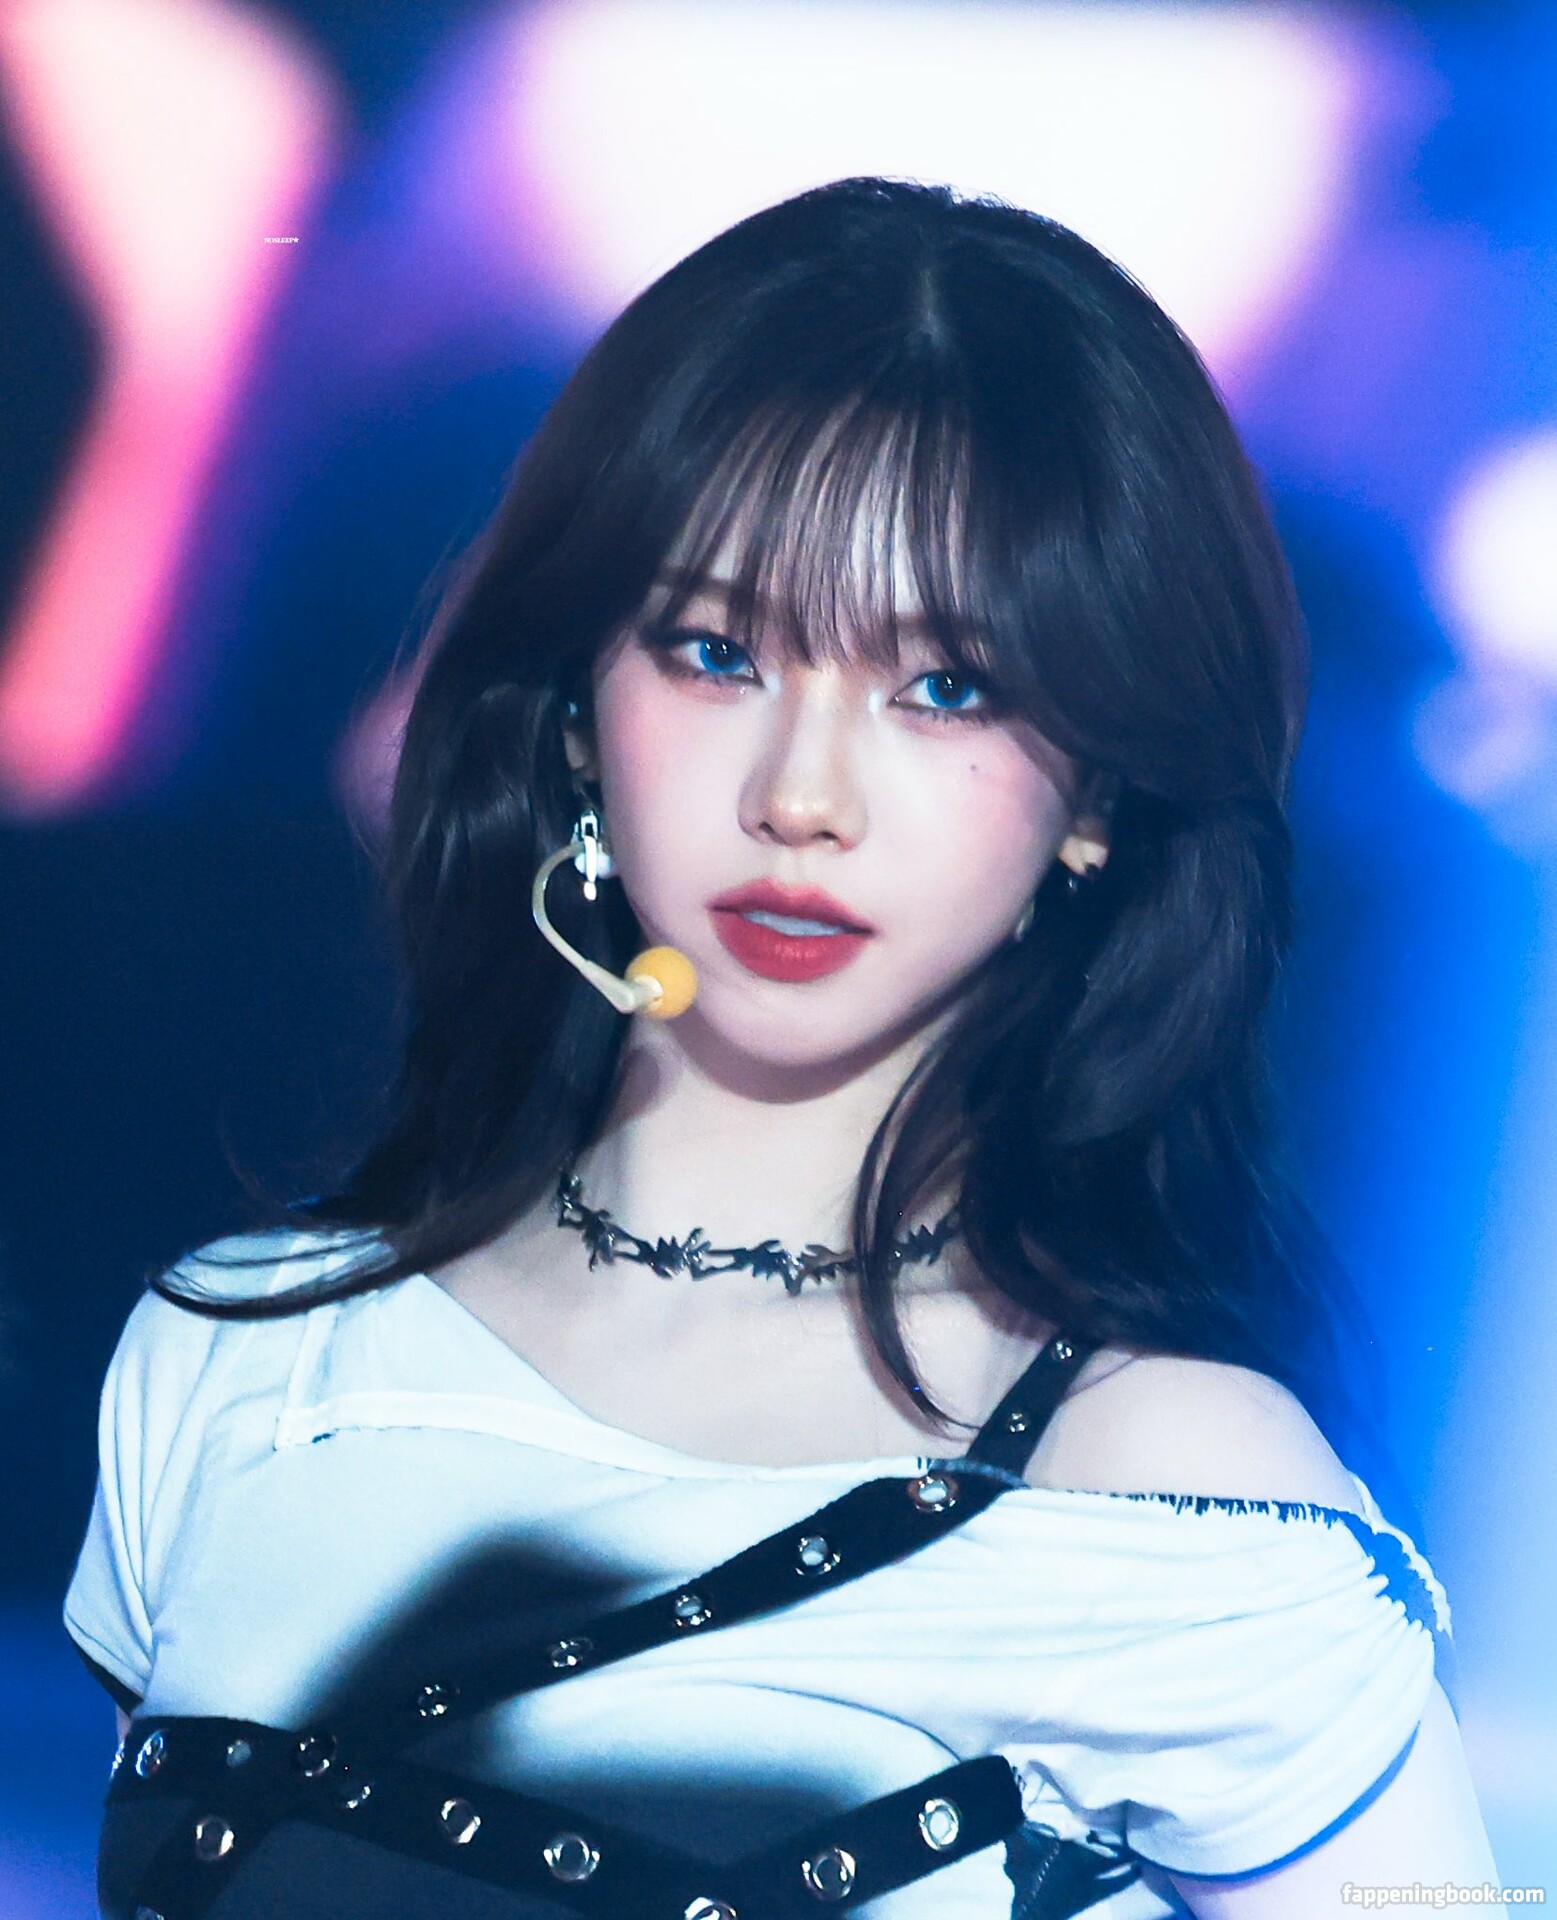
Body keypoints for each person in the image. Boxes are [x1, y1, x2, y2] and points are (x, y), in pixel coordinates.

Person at [64, 177, 1498, 1919]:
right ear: (579, 713)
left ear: (1095, 796)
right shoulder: (243, 1369)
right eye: (715, 652)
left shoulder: (1168, 1498)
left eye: (944, 686)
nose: (801, 795)